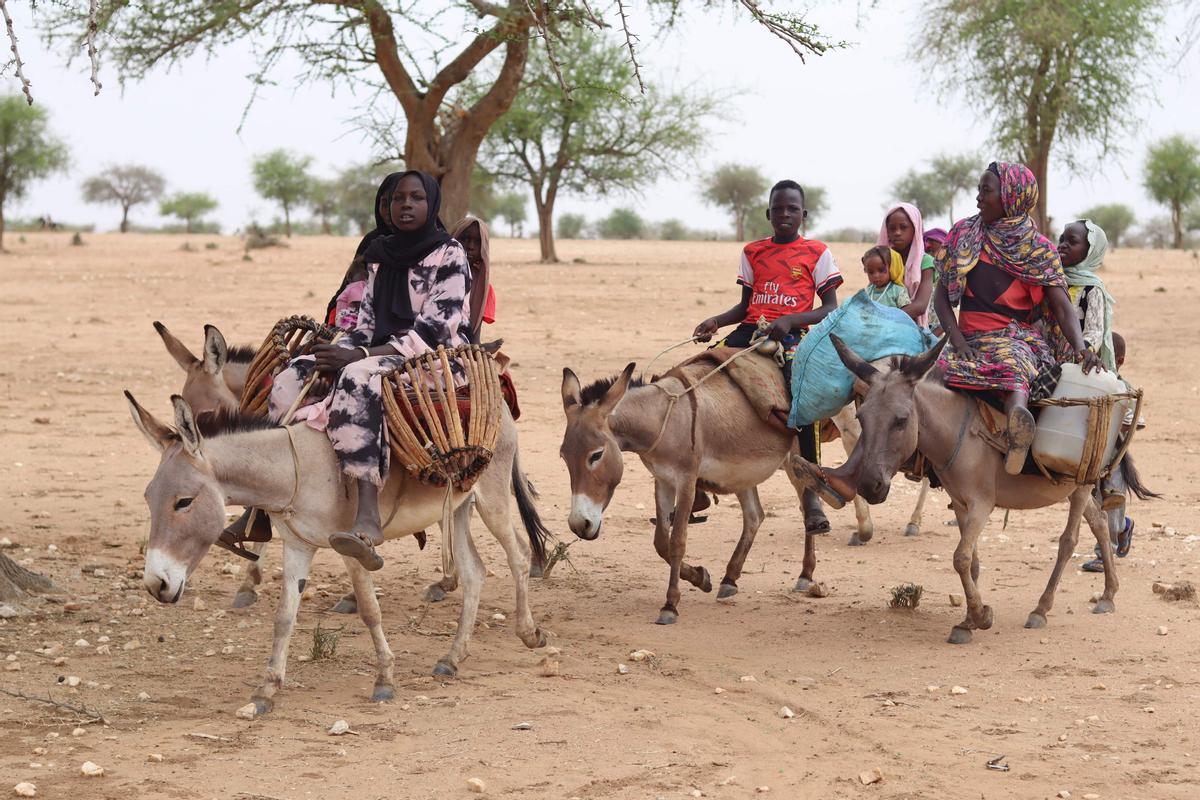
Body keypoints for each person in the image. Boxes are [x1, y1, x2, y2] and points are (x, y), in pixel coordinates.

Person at [270, 170, 472, 570]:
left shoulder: (450, 255)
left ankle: (367, 513)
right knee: (292, 374)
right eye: (399, 199)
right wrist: (337, 350)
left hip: (433, 358)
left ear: (432, 205)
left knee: (358, 380)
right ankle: (275, 495)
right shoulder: (380, 254)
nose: (406, 205)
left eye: (416, 198)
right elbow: (363, 322)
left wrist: (357, 355)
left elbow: (434, 331)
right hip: (376, 349)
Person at [932, 161, 1103, 475]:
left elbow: (1063, 306)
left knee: (1013, 368)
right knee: (926, 374)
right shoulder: (963, 234)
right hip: (966, 336)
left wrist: (1080, 348)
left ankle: (1018, 433)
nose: (978, 198)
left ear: (1011, 196)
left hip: (1014, 338)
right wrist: (956, 339)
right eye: (979, 190)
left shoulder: (1038, 250)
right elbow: (941, 296)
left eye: (987, 191)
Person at [693, 179, 843, 533]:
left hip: (794, 333)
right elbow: (745, 306)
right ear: (768, 214)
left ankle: (810, 492)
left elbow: (831, 308)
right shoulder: (752, 252)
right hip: (750, 328)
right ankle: (696, 483)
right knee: (700, 371)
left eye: (792, 209)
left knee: (802, 395)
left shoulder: (818, 253)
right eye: (778, 209)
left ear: (803, 214)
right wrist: (716, 321)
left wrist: (790, 319)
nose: (785, 214)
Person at [1082, 332, 1137, 572]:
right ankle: (1124, 527)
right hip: (1089, 454)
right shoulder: (1089, 382)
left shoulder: (1123, 388)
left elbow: (1132, 422)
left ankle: (1106, 553)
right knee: (1092, 501)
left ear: (1120, 360)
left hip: (1112, 456)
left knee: (1111, 500)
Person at [323, 171, 404, 326]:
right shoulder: (373, 240)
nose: (387, 211)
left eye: (395, 201)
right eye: (384, 204)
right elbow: (349, 284)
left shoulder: (435, 245)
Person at [1058, 219, 1117, 372]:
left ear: (1090, 251)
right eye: (1062, 240)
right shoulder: (1052, 279)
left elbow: (1094, 331)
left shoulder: (1092, 288)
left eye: (1072, 241)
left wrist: (1083, 350)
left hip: (1078, 359)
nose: (1063, 245)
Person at [878, 202, 936, 325]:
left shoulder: (925, 261)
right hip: (884, 325)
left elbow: (920, 305)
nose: (897, 232)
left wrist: (885, 318)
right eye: (892, 228)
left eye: (903, 227)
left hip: (913, 325)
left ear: (915, 229)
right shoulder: (883, 260)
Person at [450, 216, 497, 343]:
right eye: (465, 239)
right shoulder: (436, 273)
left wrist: (479, 350)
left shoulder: (484, 289)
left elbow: (474, 336)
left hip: (461, 348)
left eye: (477, 242)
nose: (470, 246)